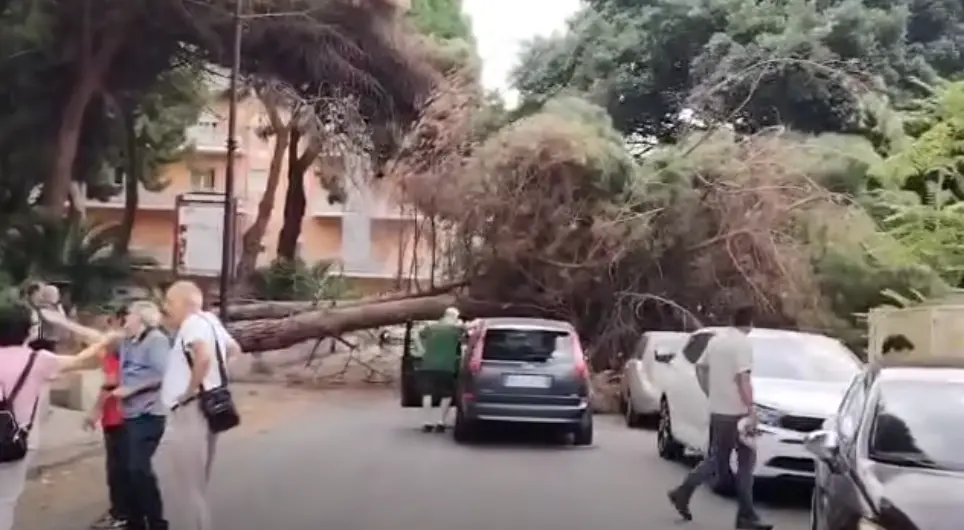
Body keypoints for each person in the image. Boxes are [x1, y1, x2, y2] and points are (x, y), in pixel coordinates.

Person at [0, 302, 117, 530]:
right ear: (28, 331)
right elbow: (85, 360)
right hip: (16, 441)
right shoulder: (39, 360)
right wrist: (104, 339)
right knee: (5, 499)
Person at [667, 307, 772, 530]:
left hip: (718, 410)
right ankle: (746, 517)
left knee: (716, 459)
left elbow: (700, 368)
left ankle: (683, 493)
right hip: (738, 413)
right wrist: (751, 409)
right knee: (745, 463)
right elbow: (743, 379)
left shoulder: (716, 341)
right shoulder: (742, 344)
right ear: (750, 323)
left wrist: (710, 392)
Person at [160, 281, 240, 530]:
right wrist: (218, 379)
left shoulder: (192, 324)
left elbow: (203, 357)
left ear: (186, 303)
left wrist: (189, 391)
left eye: (170, 303)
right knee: (197, 483)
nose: (167, 308)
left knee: (190, 489)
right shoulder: (210, 321)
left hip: (191, 411)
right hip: (208, 407)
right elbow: (235, 349)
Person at [84, 307, 132, 530]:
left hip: (116, 415)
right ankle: (129, 512)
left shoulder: (117, 345)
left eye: (111, 320)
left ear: (120, 320)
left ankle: (120, 514)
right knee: (127, 467)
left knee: (116, 469)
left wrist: (95, 410)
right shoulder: (136, 343)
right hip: (132, 415)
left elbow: (110, 382)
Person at [414, 307, 463, 433]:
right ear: (454, 317)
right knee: (446, 394)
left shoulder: (431, 328)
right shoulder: (455, 330)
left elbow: (417, 335)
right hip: (447, 366)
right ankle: (440, 421)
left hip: (428, 364)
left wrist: (421, 350)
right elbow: (467, 333)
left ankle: (427, 421)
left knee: (427, 393)